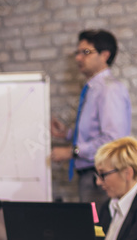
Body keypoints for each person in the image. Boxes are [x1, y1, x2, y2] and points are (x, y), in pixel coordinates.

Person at [51, 29, 131, 204]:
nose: (78, 58)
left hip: (103, 177)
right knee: (94, 229)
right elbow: (96, 133)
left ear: (105, 55)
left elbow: (113, 140)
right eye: (77, 53)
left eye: (86, 52)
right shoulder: (93, 88)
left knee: (100, 230)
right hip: (92, 175)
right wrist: (68, 135)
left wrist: (73, 152)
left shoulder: (109, 89)